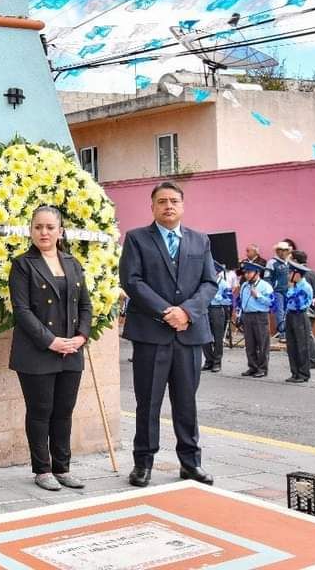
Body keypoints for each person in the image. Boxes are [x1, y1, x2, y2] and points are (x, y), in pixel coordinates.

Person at [120, 181, 217, 488]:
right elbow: (132, 281)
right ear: (152, 207)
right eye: (161, 201)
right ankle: (143, 463)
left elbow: (209, 283)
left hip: (189, 334)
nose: (168, 206)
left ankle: (191, 463)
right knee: (147, 402)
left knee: (186, 402)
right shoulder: (137, 239)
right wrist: (166, 311)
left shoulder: (200, 241)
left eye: (174, 200)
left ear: (182, 205)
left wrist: (187, 311)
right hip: (151, 334)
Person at [7, 206, 91, 492]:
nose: (44, 232)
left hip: (71, 350)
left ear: (60, 231)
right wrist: (51, 341)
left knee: (64, 411)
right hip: (37, 351)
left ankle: (62, 468)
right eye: (38, 227)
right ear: (31, 230)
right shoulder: (22, 264)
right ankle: (42, 470)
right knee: (40, 411)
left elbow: (85, 305)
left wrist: (81, 337)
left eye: (50, 227)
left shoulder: (72, 263)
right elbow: (22, 310)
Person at [235, 261, 273, 378]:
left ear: (257, 273)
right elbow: (241, 302)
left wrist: (258, 296)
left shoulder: (265, 286)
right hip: (247, 315)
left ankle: (262, 368)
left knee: (262, 343)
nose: (246, 275)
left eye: (249, 272)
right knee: (249, 343)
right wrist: (239, 315)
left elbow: (272, 302)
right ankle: (252, 366)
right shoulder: (244, 286)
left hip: (260, 316)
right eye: (245, 273)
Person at [283, 261, 314, 384]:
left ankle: (303, 373)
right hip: (290, 315)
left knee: (302, 345)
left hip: (300, 315)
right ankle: (295, 372)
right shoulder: (294, 285)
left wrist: (290, 289)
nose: (288, 275)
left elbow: (299, 303)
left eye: (290, 272)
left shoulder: (305, 287)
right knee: (291, 345)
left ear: (297, 274)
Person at [203, 260, 236, 373]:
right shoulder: (205, 283)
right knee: (205, 337)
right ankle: (208, 360)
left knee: (218, 337)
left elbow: (228, 300)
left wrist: (215, 297)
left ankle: (217, 362)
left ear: (216, 272)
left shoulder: (223, 284)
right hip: (205, 309)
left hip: (217, 309)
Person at [291, 250, 315, 369]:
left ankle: (313, 359)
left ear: (295, 260)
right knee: (306, 334)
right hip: (313, 308)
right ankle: (309, 359)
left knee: (307, 335)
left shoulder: (302, 275)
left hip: (304, 309)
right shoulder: (313, 273)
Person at [266, 241, 292, 342]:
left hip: (288, 291)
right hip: (277, 291)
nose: (283, 252)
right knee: (280, 312)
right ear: (277, 251)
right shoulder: (272, 262)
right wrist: (271, 290)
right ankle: (282, 334)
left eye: (285, 250)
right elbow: (267, 278)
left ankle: (286, 332)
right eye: (281, 250)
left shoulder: (288, 262)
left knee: (287, 312)